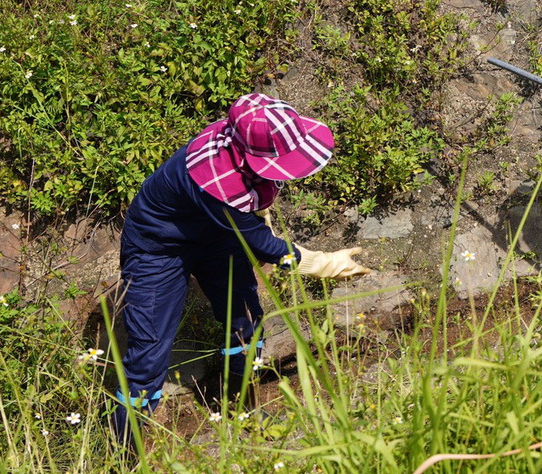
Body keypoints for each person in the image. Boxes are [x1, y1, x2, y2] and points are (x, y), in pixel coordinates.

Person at [112, 93, 367, 446]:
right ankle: (122, 461)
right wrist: (322, 263)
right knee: (149, 354)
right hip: (158, 247)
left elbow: (253, 207)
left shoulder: (240, 137)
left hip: (215, 236)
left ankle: (239, 408)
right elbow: (262, 244)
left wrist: (262, 215)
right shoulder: (215, 177)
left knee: (245, 320)